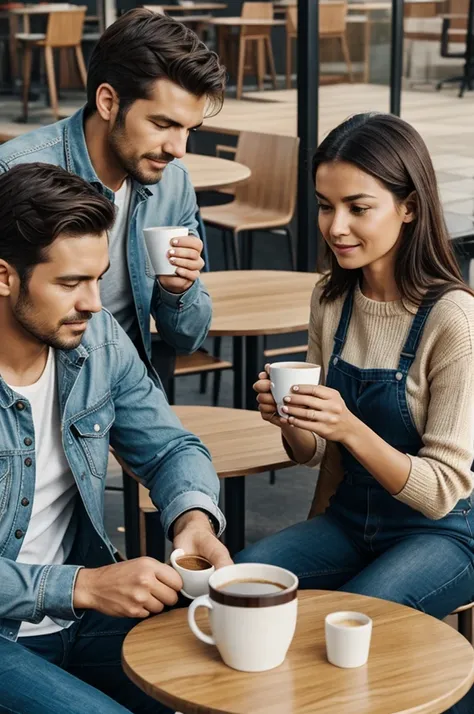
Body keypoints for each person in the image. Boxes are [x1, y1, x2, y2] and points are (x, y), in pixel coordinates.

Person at [236, 113, 474, 714]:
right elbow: (313, 453)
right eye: (324, 206)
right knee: (233, 590)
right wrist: (291, 420)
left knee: (341, 634)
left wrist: (348, 426)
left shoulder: (454, 320)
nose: (335, 227)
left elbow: (443, 490)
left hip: (443, 535)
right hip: (350, 521)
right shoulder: (332, 296)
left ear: (410, 207)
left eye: (357, 207)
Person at [0, 163, 232, 714]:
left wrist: (192, 521)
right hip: (18, 628)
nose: (93, 303)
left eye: (97, 278)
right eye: (69, 283)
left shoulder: (96, 340)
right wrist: (82, 587)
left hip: (80, 619)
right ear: (5, 276)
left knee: (224, 685)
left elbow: (170, 447)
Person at [0, 8, 227, 390]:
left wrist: (180, 290)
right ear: (108, 102)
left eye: (189, 129)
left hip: (128, 386)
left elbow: (188, 337)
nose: (179, 149)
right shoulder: (13, 173)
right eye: (162, 124)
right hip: (33, 393)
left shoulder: (173, 185)